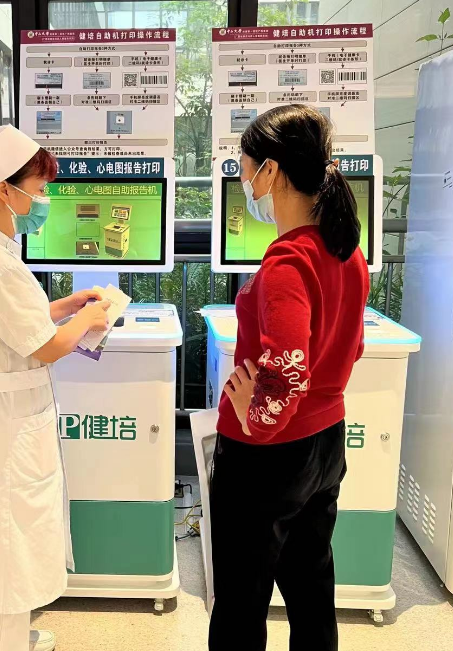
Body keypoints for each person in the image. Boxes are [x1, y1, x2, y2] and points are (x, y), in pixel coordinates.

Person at [0, 125, 110, 651]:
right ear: (3, 190)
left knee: (3, 551)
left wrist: (66, 307)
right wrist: (90, 319)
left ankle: (10, 639)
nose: (43, 201)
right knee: (6, 559)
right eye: (39, 189)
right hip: (7, 433)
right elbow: (45, 347)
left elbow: (14, 324)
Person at [209, 105, 369, 651]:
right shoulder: (346, 251)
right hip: (325, 444)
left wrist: (256, 417)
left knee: (241, 599)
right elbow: (352, 347)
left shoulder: (287, 263)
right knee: (311, 588)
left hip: (267, 456)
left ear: (271, 171)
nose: (245, 182)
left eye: (244, 168)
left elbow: (288, 369)